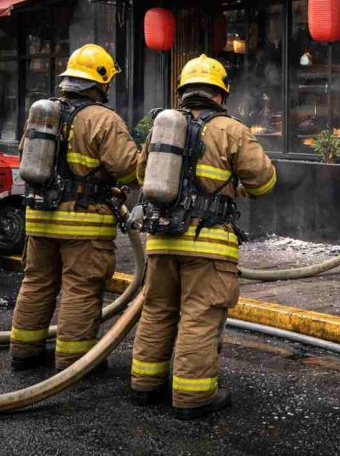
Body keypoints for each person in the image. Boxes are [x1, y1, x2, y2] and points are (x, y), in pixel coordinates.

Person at [130, 54, 276, 419]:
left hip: (161, 239)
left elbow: (139, 175)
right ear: (220, 94)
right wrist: (233, 187)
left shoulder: (161, 127)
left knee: (157, 310)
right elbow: (265, 181)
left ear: (183, 91)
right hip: (208, 243)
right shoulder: (231, 129)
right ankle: (193, 397)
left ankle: (145, 385)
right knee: (199, 315)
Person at [10, 44, 138, 371]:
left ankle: (25, 351)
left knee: (37, 283)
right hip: (83, 223)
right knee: (81, 289)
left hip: (39, 217)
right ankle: (75, 361)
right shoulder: (103, 119)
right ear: (100, 81)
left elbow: (27, 155)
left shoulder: (42, 112)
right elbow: (128, 170)